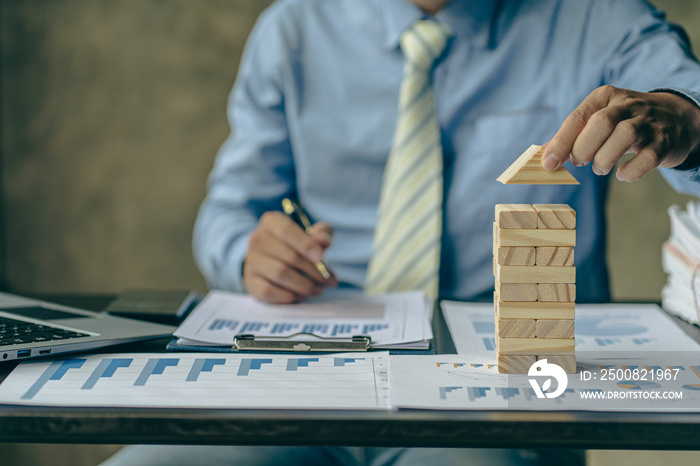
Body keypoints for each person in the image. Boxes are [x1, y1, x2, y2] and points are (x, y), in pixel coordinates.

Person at [103, 0, 700, 464]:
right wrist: (248, 254)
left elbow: (687, 105)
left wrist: (685, 119)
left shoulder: (600, 18)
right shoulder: (292, 29)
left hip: (502, 404)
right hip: (304, 383)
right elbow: (228, 213)